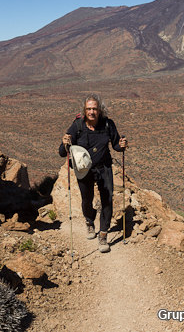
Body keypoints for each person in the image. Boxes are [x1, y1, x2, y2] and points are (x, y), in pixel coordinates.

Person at [59, 94, 127, 253]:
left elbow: (116, 145)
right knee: (87, 199)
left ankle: (103, 235)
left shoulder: (108, 125)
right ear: (84, 110)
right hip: (84, 169)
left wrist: (122, 145)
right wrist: (65, 143)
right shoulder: (77, 126)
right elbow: (63, 152)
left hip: (104, 167)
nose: (92, 112)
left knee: (107, 200)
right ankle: (89, 221)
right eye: (89, 109)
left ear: (99, 110)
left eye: (94, 109)